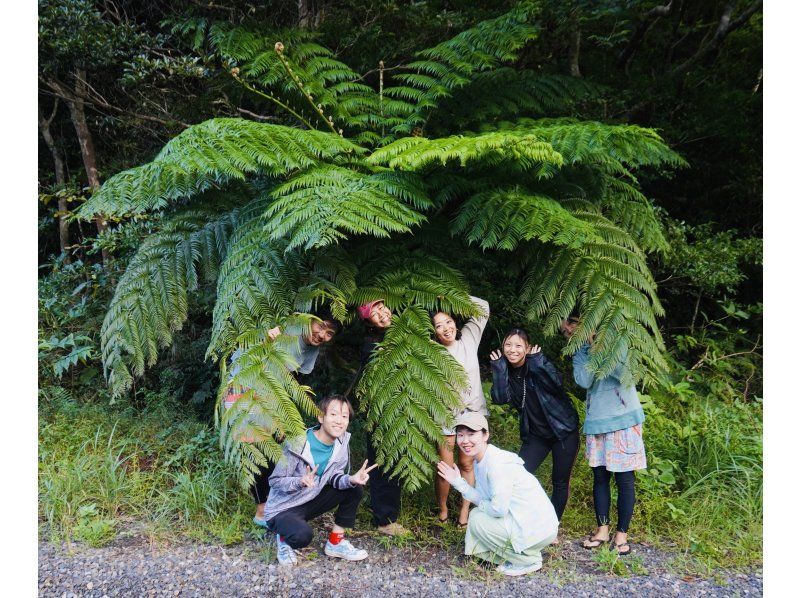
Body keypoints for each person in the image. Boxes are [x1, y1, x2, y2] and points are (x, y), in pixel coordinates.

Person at [225, 307, 342, 528]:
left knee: (277, 447)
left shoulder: (311, 349)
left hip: (271, 394)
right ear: (310, 320)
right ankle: (262, 511)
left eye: (329, 334)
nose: (322, 335)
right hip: (244, 386)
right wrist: (266, 338)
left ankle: (274, 504)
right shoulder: (285, 328)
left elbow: (293, 378)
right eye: (321, 326)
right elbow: (249, 347)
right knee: (256, 446)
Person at [560, 316, 647, 556]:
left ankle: (621, 535)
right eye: (564, 330)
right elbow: (584, 380)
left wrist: (601, 346)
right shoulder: (579, 353)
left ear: (585, 322)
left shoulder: (617, 341)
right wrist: (588, 349)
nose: (567, 331)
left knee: (624, 480)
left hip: (624, 421)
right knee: (600, 479)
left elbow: (623, 374)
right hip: (597, 422)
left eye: (571, 325)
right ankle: (602, 530)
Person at [437, 411, 558, 576]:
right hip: (525, 520)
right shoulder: (482, 460)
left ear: (485, 435)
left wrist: (478, 503)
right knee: (478, 515)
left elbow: (498, 510)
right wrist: (458, 482)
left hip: (537, 527)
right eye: (460, 435)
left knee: (478, 519)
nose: (465, 441)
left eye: (471, 434)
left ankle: (529, 561)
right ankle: (510, 555)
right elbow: (485, 499)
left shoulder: (496, 464)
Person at [264, 394, 376, 565]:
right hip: (283, 508)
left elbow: (334, 477)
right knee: (302, 536)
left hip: (310, 499)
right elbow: (275, 480)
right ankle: (283, 540)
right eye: (333, 414)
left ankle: (335, 542)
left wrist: (352, 479)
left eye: (344, 416)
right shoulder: (298, 443)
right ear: (321, 417)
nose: (339, 421)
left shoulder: (341, 442)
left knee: (354, 488)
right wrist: (299, 481)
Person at [490, 328, 579, 529]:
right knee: (518, 476)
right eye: (508, 345)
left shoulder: (538, 362)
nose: (513, 350)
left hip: (563, 430)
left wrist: (539, 363)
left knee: (560, 481)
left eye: (518, 345)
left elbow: (557, 384)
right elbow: (500, 399)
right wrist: (498, 369)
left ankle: (552, 527)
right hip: (536, 435)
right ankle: (519, 522)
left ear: (527, 348)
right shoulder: (504, 368)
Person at [431, 295, 490, 527]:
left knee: (466, 464)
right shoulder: (432, 351)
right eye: (439, 326)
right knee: (445, 468)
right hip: (445, 415)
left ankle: (465, 510)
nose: (446, 329)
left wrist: (452, 296)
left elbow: (483, 307)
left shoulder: (469, 340)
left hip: (472, 414)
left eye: (448, 322)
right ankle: (443, 509)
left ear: (455, 321)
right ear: (434, 332)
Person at [355, 299, 412, 537]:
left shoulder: (400, 334)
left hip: (400, 410)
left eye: (382, 308)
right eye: (374, 313)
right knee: (383, 465)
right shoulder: (372, 346)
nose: (381, 313)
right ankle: (385, 520)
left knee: (393, 462)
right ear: (367, 321)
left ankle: (386, 514)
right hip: (383, 416)